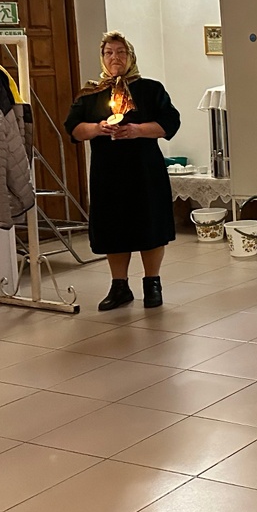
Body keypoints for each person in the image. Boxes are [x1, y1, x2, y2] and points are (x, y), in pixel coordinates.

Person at [65, 32, 180, 311]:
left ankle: (152, 284)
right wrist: (97, 128)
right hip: (108, 172)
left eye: (120, 52)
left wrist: (138, 130)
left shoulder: (150, 89)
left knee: (149, 223)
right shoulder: (91, 93)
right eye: (108, 53)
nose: (114, 58)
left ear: (130, 56)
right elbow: (74, 129)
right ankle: (119, 286)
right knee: (113, 226)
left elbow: (170, 123)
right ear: (102, 58)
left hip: (144, 169)